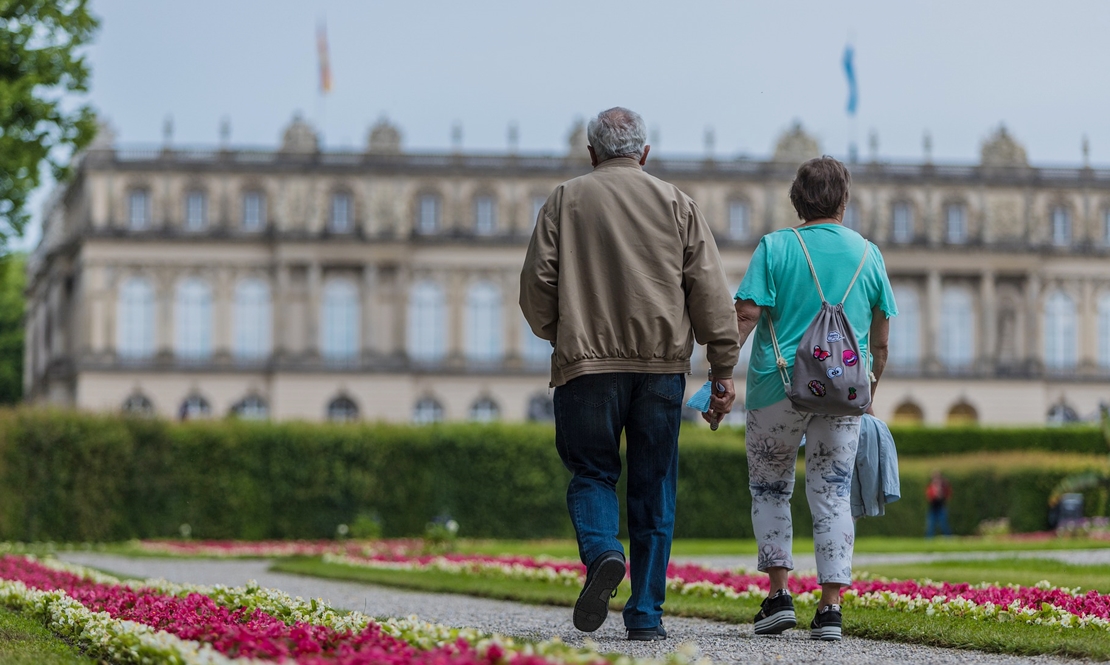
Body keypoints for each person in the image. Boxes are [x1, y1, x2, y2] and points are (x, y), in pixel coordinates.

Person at [520, 107, 740, 641]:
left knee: (592, 473)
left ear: (592, 153)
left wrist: (563, 333)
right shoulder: (676, 203)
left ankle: (602, 554)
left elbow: (535, 289)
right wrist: (722, 368)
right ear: (644, 153)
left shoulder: (565, 200)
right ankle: (645, 615)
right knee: (653, 486)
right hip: (661, 369)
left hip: (586, 368)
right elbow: (710, 293)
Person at [732, 156, 896, 641]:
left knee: (770, 489)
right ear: (844, 201)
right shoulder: (869, 255)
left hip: (775, 389)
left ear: (796, 201)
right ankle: (829, 610)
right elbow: (882, 342)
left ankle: (779, 597)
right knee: (833, 494)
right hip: (843, 394)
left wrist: (720, 374)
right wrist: (868, 393)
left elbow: (744, 316)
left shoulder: (775, 247)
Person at [925, 470, 953, 537]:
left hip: (941, 507)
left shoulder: (943, 486)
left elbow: (948, 495)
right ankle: (929, 540)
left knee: (944, 524)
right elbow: (929, 496)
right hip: (933, 508)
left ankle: (948, 538)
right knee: (930, 526)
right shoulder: (931, 487)